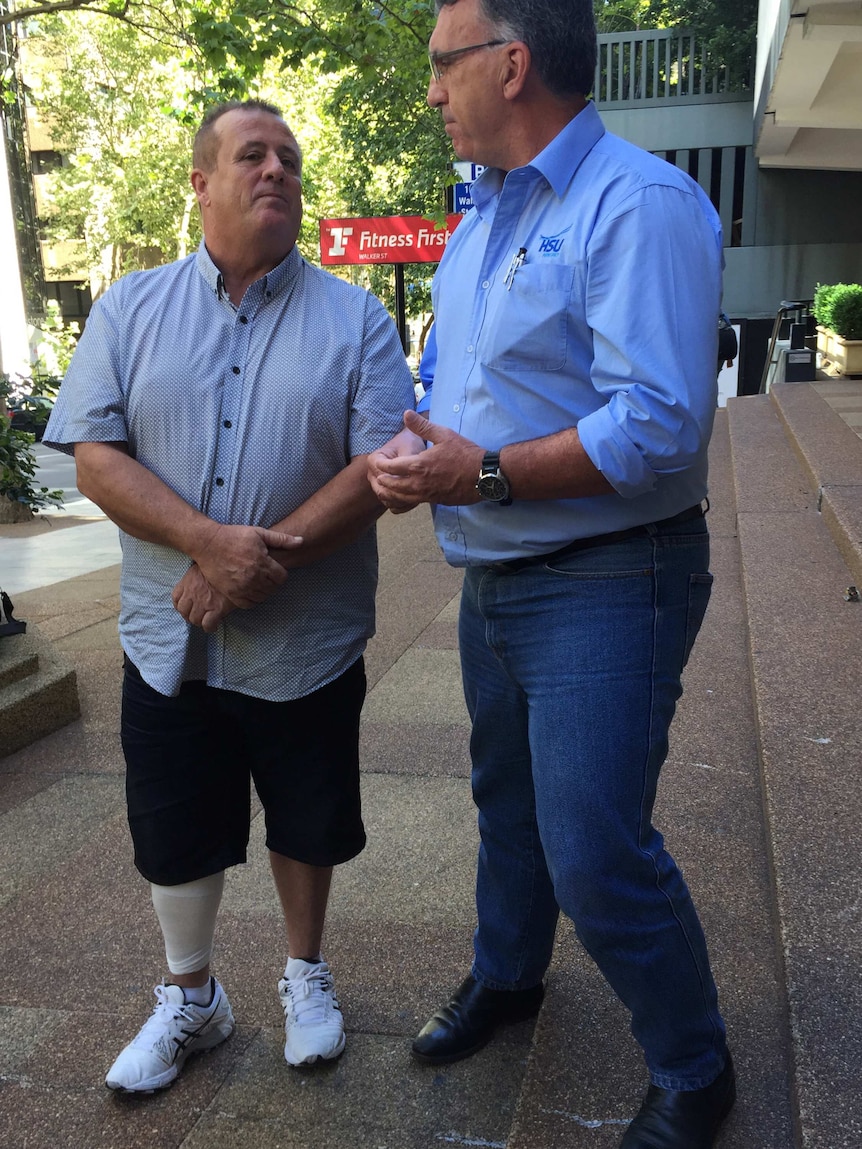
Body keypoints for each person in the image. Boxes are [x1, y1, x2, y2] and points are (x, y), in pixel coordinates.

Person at [367, 2, 735, 1147]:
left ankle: (693, 1065)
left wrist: (479, 475)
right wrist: (432, 448)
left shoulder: (639, 204)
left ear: (511, 64)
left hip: (612, 572)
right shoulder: (480, 221)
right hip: (501, 575)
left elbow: (660, 423)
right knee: (508, 808)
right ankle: (509, 975)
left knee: (594, 847)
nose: (431, 92)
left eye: (442, 65)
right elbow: (495, 400)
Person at [44, 98, 414, 1094]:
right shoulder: (128, 309)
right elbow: (93, 456)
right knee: (172, 825)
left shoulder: (355, 317)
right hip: (167, 639)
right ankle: (192, 1000)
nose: (277, 172)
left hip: (308, 641)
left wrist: (258, 562)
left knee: (308, 816)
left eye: (289, 160)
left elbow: (384, 461)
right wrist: (206, 546)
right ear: (200, 182)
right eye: (253, 156)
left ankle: (304, 974)